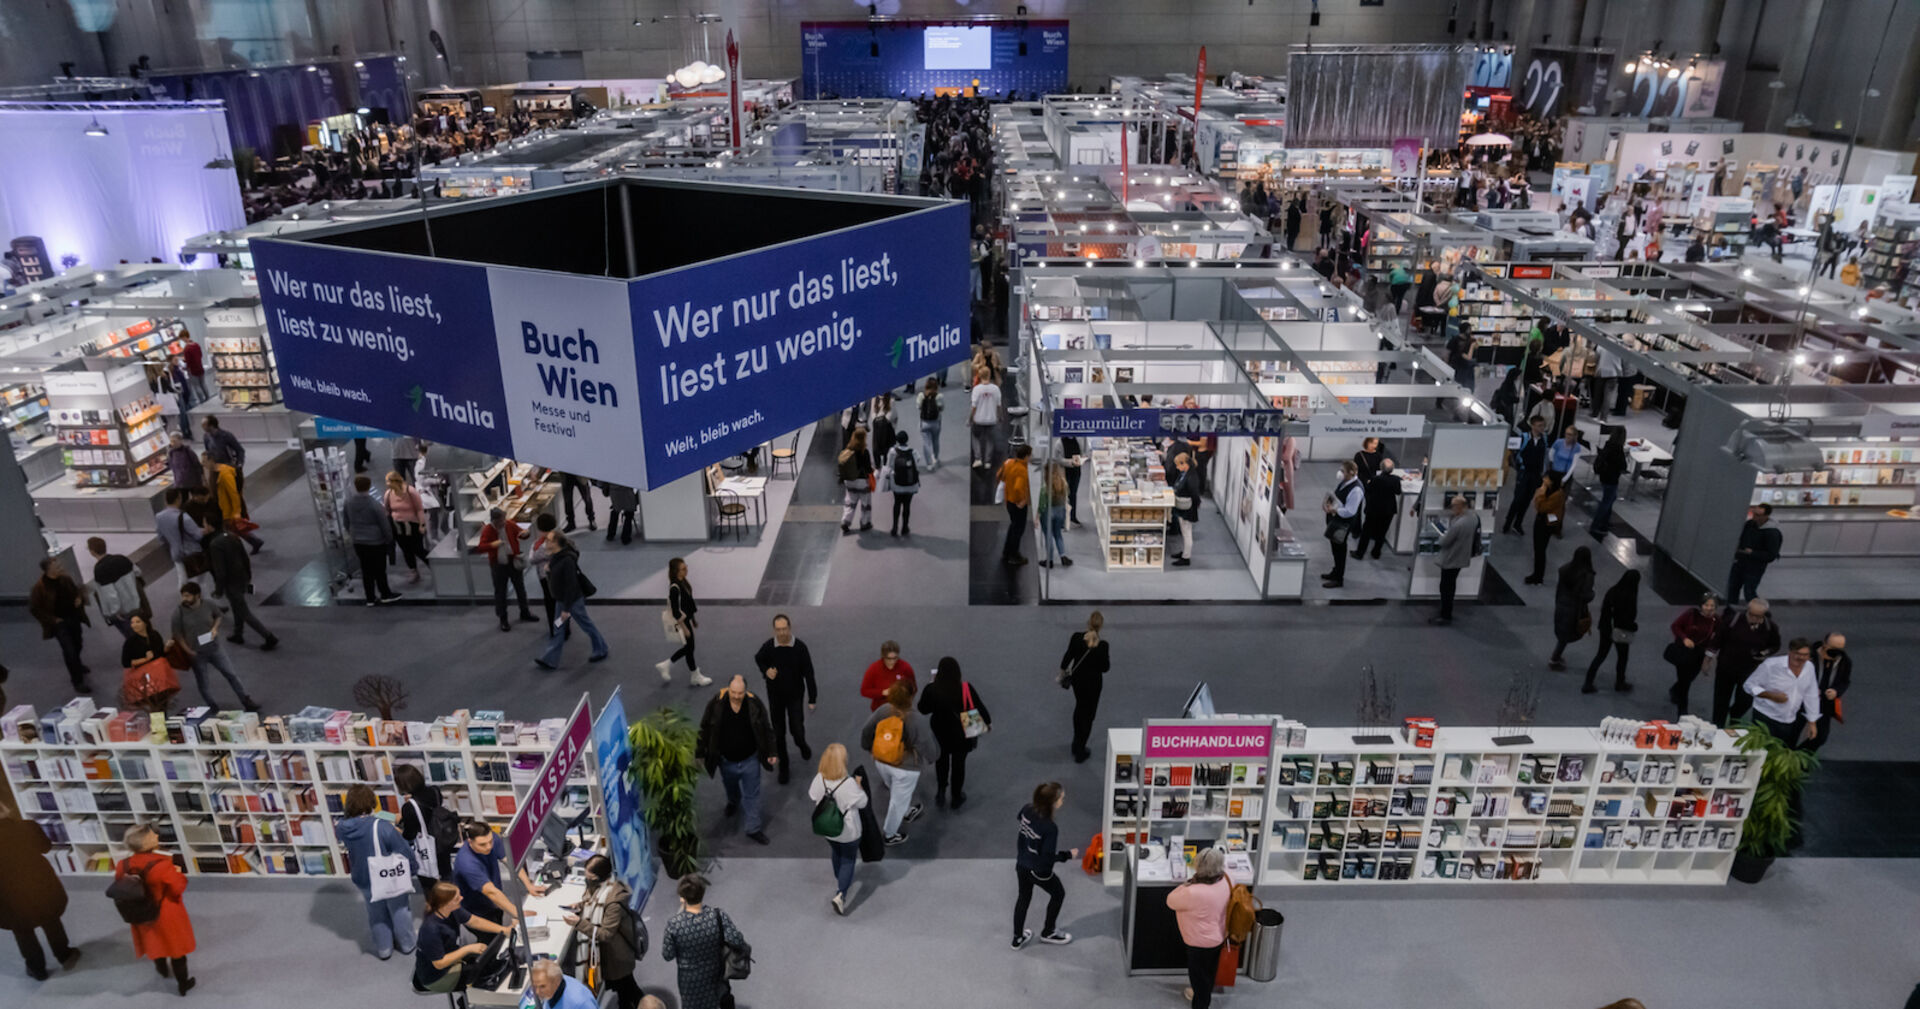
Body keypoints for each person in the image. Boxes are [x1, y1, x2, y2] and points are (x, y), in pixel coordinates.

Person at [334, 783, 419, 959]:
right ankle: (407, 943)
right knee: (399, 909)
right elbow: (402, 849)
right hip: (386, 875)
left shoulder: (342, 827)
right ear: (371, 802)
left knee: (375, 912)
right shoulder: (381, 826)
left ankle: (384, 948)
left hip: (362, 876)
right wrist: (413, 868)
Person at [0, 799, 79, 981]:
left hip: (7, 892)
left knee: (22, 931)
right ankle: (64, 954)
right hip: (38, 882)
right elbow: (45, 847)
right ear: (6, 808)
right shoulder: (27, 827)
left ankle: (37, 968)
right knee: (51, 920)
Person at [116, 823, 195, 996]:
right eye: (153, 836)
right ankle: (183, 984)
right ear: (147, 843)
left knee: (155, 942)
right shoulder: (162, 865)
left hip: (141, 912)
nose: (157, 837)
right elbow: (177, 887)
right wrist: (178, 872)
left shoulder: (123, 865)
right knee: (176, 950)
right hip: (166, 913)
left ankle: (162, 969)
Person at [697, 676, 776, 845]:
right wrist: (700, 753)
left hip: (751, 760)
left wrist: (771, 751)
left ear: (745, 691)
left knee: (752, 795)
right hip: (726, 761)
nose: (736, 696)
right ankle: (733, 801)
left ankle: (753, 828)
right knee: (730, 785)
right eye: (733, 692)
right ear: (728, 689)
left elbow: (766, 728)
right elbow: (704, 728)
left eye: (740, 693)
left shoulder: (754, 704)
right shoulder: (716, 704)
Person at [561, 856, 642, 1009]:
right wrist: (580, 906)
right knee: (626, 989)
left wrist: (579, 923)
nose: (586, 878)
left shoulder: (614, 901)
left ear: (598, 876)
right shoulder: (599, 886)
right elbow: (591, 901)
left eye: (589, 876)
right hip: (607, 955)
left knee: (627, 989)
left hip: (617, 957)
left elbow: (606, 934)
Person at [660, 874, 746, 1009]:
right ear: (702, 893)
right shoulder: (718, 915)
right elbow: (737, 940)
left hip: (689, 980)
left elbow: (667, 955)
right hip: (715, 972)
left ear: (682, 898)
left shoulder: (674, 925)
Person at [170, 581, 260, 711]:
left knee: (231, 674)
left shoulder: (208, 605)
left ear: (198, 595)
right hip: (196, 653)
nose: (185, 599)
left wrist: (215, 628)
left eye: (188, 596)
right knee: (204, 683)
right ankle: (212, 706)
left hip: (215, 648)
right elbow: (177, 635)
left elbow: (218, 616)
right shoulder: (178, 613)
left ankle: (246, 700)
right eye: (183, 596)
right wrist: (188, 651)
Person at [861, 680, 931, 844]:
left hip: (881, 758)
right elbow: (926, 743)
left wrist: (868, 748)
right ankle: (890, 834)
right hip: (905, 768)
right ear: (911, 696)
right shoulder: (915, 718)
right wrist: (933, 757)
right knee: (897, 802)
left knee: (894, 787)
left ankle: (907, 811)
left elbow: (866, 730)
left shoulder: (883, 710)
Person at [412, 881, 510, 994]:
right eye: (457, 898)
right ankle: (466, 1003)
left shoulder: (453, 910)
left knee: (490, 961)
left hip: (452, 960)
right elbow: (439, 963)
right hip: (437, 978)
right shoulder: (431, 930)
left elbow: (474, 921)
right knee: (485, 974)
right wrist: (467, 949)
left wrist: (504, 930)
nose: (461, 898)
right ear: (445, 903)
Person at [920, 656, 991, 811]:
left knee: (941, 761)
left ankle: (941, 792)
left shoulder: (932, 689)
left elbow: (923, 709)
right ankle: (956, 796)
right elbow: (980, 707)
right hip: (962, 734)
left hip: (940, 733)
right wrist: (987, 722)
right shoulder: (966, 688)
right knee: (959, 765)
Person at [1012, 781, 1077, 949]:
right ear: (1052, 803)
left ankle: (1017, 937)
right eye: (1061, 798)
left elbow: (1020, 818)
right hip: (1039, 870)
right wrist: (1067, 855)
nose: (1063, 800)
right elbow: (1047, 857)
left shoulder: (1027, 809)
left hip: (1022, 865)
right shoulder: (1050, 827)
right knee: (1058, 894)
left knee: (1023, 898)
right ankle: (1048, 932)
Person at [808, 744, 870, 916]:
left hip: (827, 828)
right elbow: (863, 802)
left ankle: (840, 877)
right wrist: (859, 786)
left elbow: (812, 795)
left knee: (836, 851)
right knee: (849, 859)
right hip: (848, 830)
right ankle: (841, 893)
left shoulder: (819, 778)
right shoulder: (848, 783)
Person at [1166, 847, 1232, 1008]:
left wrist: (1186, 884)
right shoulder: (1228, 880)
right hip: (1219, 936)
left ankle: (1200, 1002)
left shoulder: (1193, 892)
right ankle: (1202, 991)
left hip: (1199, 942)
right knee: (1208, 972)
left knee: (1199, 978)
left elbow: (1171, 901)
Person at [753, 613, 817, 781]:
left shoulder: (800, 648)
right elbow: (759, 659)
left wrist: (812, 698)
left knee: (796, 729)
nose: (782, 633)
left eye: (784, 629)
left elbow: (809, 673)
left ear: (790, 628)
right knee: (779, 733)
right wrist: (766, 670)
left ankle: (802, 744)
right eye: (778, 629)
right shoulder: (769, 646)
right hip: (775, 697)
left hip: (795, 695)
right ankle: (784, 767)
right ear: (774, 630)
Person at [536, 532, 609, 669]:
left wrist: (566, 610)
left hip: (572, 602)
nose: (546, 542)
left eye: (549, 540)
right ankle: (550, 659)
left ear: (556, 543)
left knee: (586, 625)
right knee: (558, 627)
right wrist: (549, 571)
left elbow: (571, 585)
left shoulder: (567, 560)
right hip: (561, 600)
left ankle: (601, 649)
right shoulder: (556, 557)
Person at [451, 821, 546, 925]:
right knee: (492, 937)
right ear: (470, 842)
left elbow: (511, 861)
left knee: (499, 920)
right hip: (478, 911)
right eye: (482, 844)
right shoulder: (467, 863)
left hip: (493, 901)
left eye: (490, 841)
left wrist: (529, 885)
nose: (488, 847)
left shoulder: (491, 838)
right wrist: (519, 913)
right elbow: (492, 892)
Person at [203, 517, 277, 650]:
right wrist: (248, 576)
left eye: (205, 523)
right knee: (236, 607)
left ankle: (268, 636)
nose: (204, 526)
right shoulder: (232, 536)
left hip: (231, 583)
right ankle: (238, 634)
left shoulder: (215, 544)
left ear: (210, 525)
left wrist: (218, 590)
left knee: (244, 611)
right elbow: (244, 557)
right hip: (241, 577)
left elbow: (220, 572)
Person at [1744, 638, 1823, 746]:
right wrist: (1771, 696)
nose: (1801, 658)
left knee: (1780, 755)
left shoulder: (1809, 668)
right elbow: (1749, 685)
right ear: (1790, 652)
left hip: (1789, 720)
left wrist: (1812, 722)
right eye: (1798, 654)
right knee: (1760, 751)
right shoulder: (1771, 665)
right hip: (1765, 717)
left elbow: (1811, 695)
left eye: (1805, 655)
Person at [1714, 598, 1781, 725]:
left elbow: (1775, 646)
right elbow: (1718, 639)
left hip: (1750, 671)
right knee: (1721, 700)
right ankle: (1717, 725)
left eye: (1758, 616)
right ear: (1747, 610)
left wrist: (1763, 653)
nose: (1754, 618)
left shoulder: (1770, 627)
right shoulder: (1732, 621)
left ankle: (1734, 717)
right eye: (1752, 615)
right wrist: (1709, 657)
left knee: (1745, 700)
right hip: (1726, 668)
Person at [28, 557, 91, 692]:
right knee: (69, 650)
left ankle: (77, 664)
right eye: (57, 566)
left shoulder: (65, 579)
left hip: (73, 618)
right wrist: (53, 620)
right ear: (48, 570)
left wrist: (79, 599)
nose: (60, 567)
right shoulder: (40, 588)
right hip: (59, 624)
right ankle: (77, 681)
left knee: (78, 643)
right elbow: (34, 609)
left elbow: (76, 591)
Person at [473, 508, 537, 632]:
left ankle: (525, 612)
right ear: (495, 520)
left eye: (504, 519)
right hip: (498, 564)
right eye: (501, 520)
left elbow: (521, 533)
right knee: (501, 591)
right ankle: (503, 618)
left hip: (513, 561)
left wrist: (525, 533)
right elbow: (481, 547)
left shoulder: (509, 524)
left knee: (520, 588)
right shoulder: (488, 530)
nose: (504, 522)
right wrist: (493, 545)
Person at [343, 474, 401, 605]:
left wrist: (353, 533)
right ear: (368, 487)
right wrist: (389, 539)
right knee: (380, 569)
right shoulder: (374, 504)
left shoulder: (348, 502)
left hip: (358, 542)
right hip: (375, 541)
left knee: (366, 569)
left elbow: (346, 521)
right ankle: (385, 594)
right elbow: (384, 524)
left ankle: (370, 597)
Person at [1061, 611, 1111, 761]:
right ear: (1100, 626)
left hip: (1078, 681)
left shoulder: (1076, 637)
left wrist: (1063, 672)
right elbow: (1105, 668)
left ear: (1088, 623)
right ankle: (1080, 748)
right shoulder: (1103, 646)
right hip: (1094, 684)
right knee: (1089, 715)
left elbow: (1066, 659)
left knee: (1079, 707)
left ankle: (1075, 742)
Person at [1582, 570, 1641, 693]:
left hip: (1605, 628)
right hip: (1621, 631)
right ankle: (1620, 682)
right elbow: (1626, 618)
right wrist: (1634, 626)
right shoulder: (1630, 595)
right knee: (1622, 657)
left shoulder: (1613, 590)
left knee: (1601, 655)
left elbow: (1605, 610)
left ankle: (1588, 682)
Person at [394, 763, 454, 883]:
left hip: (427, 849)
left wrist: (398, 828)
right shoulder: (435, 791)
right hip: (442, 841)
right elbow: (429, 811)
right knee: (447, 878)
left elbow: (409, 835)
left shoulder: (409, 807)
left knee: (431, 886)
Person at [1666, 594, 1723, 718]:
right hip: (1684, 651)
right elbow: (1676, 626)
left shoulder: (1716, 620)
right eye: (1706, 605)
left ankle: (1675, 690)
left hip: (1699, 654)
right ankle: (1682, 711)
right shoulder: (1691, 614)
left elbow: (1718, 637)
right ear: (1701, 606)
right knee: (1685, 682)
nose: (1709, 608)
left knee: (1689, 678)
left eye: (1712, 606)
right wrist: (1684, 638)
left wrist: (1709, 656)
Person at [657, 557, 709, 685]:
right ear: (676, 571)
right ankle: (669, 665)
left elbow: (688, 603)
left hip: (687, 620)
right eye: (683, 569)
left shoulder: (683, 582)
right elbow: (676, 611)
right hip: (682, 623)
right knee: (689, 647)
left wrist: (693, 620)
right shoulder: (675, 588)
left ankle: (693, 674)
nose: (686, 570)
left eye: (686, 567)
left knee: (689, 648)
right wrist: (685, 628)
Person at [1430, 496, 1480, 626]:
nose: (1452, 509)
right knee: (1450, 584)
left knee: (1446, 587)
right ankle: (1446, 611)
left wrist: (1442, 535)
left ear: (1461, 506)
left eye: (1454, 506)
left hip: (1451, 558)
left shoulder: (1459, 524)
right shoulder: (1473, 518)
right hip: (1461, 557)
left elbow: (1444, 542)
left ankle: (1445, 615)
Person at [1547, 546, 1595, 671]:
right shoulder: (1586, 575)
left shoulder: (1565, 569)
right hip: (1574, 609)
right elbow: (1585, 595)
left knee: (1562, 631)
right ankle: (1554, 659)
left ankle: (1556, 657)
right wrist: (1592, 594)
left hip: (1561, 604)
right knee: (1566, 635)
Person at [86, 536, 143, 640]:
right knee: (143, 631)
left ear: (92, 552)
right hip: (136, 602)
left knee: (132, 638)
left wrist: (115, 612)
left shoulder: (99, 570)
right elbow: (138, 572)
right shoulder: (121, 558)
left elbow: (110, 595)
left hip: (123, 610)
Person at [1502, 415, 1550, 534]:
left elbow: (1544, 457)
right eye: (1539, 426)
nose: (1542, 428)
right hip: (1524, 474)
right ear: (1532, 425)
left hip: (1535, 475)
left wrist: (1543, 472)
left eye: (1543, 426)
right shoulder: (1524, 438)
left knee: (1527, 500)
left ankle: (1518, 524)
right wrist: (1519, 466)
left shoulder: (1544, 440)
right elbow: (1513, 453)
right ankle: (1508, 522)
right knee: (1518, 499)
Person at [1726, 504, 1782, 604]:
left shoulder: (1772, 533)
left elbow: (1771, 555)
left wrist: (1752, 553)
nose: (1754, 517)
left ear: (1766, 516)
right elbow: (1742, 539)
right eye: (1754, 513)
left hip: (1755, 566)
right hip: (1740, 562)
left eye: (1758, 515)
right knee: (1733, 588)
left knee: (1749, 591)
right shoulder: (1749, 524)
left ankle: (1758, 613)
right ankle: (1730, 610)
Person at [1322, 460, 1365, 588]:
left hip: (1343, 524)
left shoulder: (1356, 490)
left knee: (1340, 550)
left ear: (1351, 473)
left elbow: (1350, 511)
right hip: (1335, 520)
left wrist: (1334, 510)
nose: (1340, 473)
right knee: (1335, 548)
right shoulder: (1345, 482)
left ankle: (1338, 578)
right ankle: (1335, 571)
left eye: (1343, 471)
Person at [1806, 633, 1850, 752]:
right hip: (1803, 700)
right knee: (1792, 732)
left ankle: (1799, 759)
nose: (1836, 652)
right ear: (1825, 644)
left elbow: (1845, 681)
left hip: (1824, 703)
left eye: (1840, 649)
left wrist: (1836, 691)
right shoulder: (1809, 656)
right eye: (1833, 648)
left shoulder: (1844, 660)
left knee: (1821, 737)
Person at [1352, 457, 1402, 561]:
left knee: (1366, 531)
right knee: (1382, 532)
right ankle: (1376, 552)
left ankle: (1360, 553)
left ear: (1381, 468)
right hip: (1388, 510)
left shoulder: (1375, 479)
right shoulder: (1396, 480)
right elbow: (1398, 492)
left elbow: (1368, 489)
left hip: (1374, 509)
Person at [384, 472, 427, 584]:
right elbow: (387, 510)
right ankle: (413, 571)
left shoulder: (410, 491)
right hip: (398, 526)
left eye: (389, 482)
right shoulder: (388, 494)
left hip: (413, 525)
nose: (387, 484)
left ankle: (433, 566)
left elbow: (419, 509)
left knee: (418, 549)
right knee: (406, 549)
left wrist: (422, 524)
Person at [1525, 471, 1568, 585]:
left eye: (1547, 478)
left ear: (1552, 481)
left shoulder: (1557, 495)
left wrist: (1541, 493)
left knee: (1540, 550)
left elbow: (1542, 507)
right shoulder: (1549, 491)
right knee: (1537, 549)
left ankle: (1538, 576)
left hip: (1546, 525)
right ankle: (1537, 574)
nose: (1544, 479)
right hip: (1541, 521)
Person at [156, 488, 204, 586]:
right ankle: (197, 597)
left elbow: (161, 537)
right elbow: (197, 535)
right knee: (197, 577)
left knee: (182, 577)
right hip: (191, 552)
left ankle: (184, 597)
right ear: (179, 499)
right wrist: (204, 531)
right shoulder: (183, 517)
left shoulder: (159, 517)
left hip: (175, 552)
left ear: (166, 500)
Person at [997, 442, 1033, 565]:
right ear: (1026, 456)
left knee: (1013, 527)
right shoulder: (1022, 470)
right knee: (1018, 530)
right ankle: (1014, 555)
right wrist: (1022, 500)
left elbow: (999, 475)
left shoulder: (1009, 463)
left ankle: (1007, 552)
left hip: (1009, 501)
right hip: (1017, 504)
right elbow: (1018, 487)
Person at [200, 416, 247, 509]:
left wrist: (239, 465)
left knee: (233, 493)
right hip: (215, 468)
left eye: (204, 424)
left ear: (211, 425)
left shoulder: (226, 436)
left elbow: (240, 450)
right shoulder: (206, 437)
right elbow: (208, 450)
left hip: (228, 467)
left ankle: (240, 515)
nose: (202, 427)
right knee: (215, 494)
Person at [837, 426, 875, 535]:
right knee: (865, 504)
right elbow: (868, 469)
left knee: (850, 502)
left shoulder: (847, 450)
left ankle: (845, 521)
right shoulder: (865, 452)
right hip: (862, 482)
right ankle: (864, 523)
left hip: (849, 481)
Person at [1589, 428, 1627, 537]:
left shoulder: (1608, 445)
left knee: (1611, 498)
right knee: (1606, 502)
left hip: (1604, 477)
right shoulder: (1618, 450)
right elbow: (1623, 466)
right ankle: (1595, 526)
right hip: (1612, 479)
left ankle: (1605, 521)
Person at [883, 429, 920, 537]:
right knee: (907, 505)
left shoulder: (892, 452)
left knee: (897, 504)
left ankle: (894, 527)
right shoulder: (913, 452)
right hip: (910, 484)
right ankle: (905, 527)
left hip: (897, 484)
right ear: (907, 440)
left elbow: (888, 466)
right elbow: (917, 462)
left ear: (897, 440)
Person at [859, 641, 915, 710]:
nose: (892, 662)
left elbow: (913, 688)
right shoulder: (874, 668)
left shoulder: (905, 667)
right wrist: (882, 692)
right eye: (889, 659)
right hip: (881, 710)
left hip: (901, 710)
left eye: (895, 658)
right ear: (883, 657)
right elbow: (864, 691)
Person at [1169, 452, 1201, 567]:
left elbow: (1195, 495)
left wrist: (1195, 506)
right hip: (1182, 507)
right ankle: (1184, 552)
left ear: (1184, 464)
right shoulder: (1185, 473)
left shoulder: (1191, 477)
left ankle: (1186, 557)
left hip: (1188, 509)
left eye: (1178, 465)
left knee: (1187, 533)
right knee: (1184, 531)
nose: (1177, 468)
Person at [527, 957, 598, 1009]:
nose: (537, 992)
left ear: (556, 982)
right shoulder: (554, 983)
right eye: (535, 986)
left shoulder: (581, 1003)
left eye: (542, 986)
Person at [969, 364, 1002, 468]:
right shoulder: (995, 389)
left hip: (978, 419)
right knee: (990, 440)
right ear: (989, 375)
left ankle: (978, 458)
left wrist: (970, 418)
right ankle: (987, 461)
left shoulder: (977, 389)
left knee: (975, 437)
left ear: (979, 375)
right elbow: (999, 405)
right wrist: (1000, 416)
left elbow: (974, 406)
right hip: (991, 419)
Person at [917, 377, 944, 470]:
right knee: (935, 441)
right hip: (936, 422)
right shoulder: (939, 396)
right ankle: (935, 458)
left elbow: (918, 407)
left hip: (924, 422)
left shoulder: (921, 395)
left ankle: (929, 464)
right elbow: (942, 408)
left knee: (926, 443)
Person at [1059, 434, 1086, 526]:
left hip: (1076, 472)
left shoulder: (1078, 440)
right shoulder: (1060, 443)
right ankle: (1062, 519)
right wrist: (1070, 462)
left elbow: (1082, 453)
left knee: (1073, 494)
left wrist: (1081, 459)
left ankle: (1073, 516)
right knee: (1064, 495)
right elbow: (1058, 459)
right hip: (1065, 472)